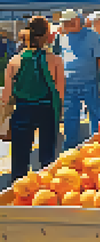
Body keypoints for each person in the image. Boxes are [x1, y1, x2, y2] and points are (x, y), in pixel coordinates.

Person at [3, 17, 64, 183]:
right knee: (47, 157)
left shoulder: (14, 61)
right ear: (46, 35)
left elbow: (6, 96)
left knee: (19, 158)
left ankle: (18, 193)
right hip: (47, 109)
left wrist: (4, 118)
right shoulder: (55, 60)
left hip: (22, 111)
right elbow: (60, 92)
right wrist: (59, 114)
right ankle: (46, 192)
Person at [53, 9, 100, 151]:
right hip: (69, 85)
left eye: (71, 21)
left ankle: (98, 147)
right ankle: (70, 149)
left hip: (90, 83)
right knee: (70, 119)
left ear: (79, 21)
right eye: (65, 22)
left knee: (96, 116)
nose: (68, 24)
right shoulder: (62, 37)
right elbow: (57, 59)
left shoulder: (93, 36)